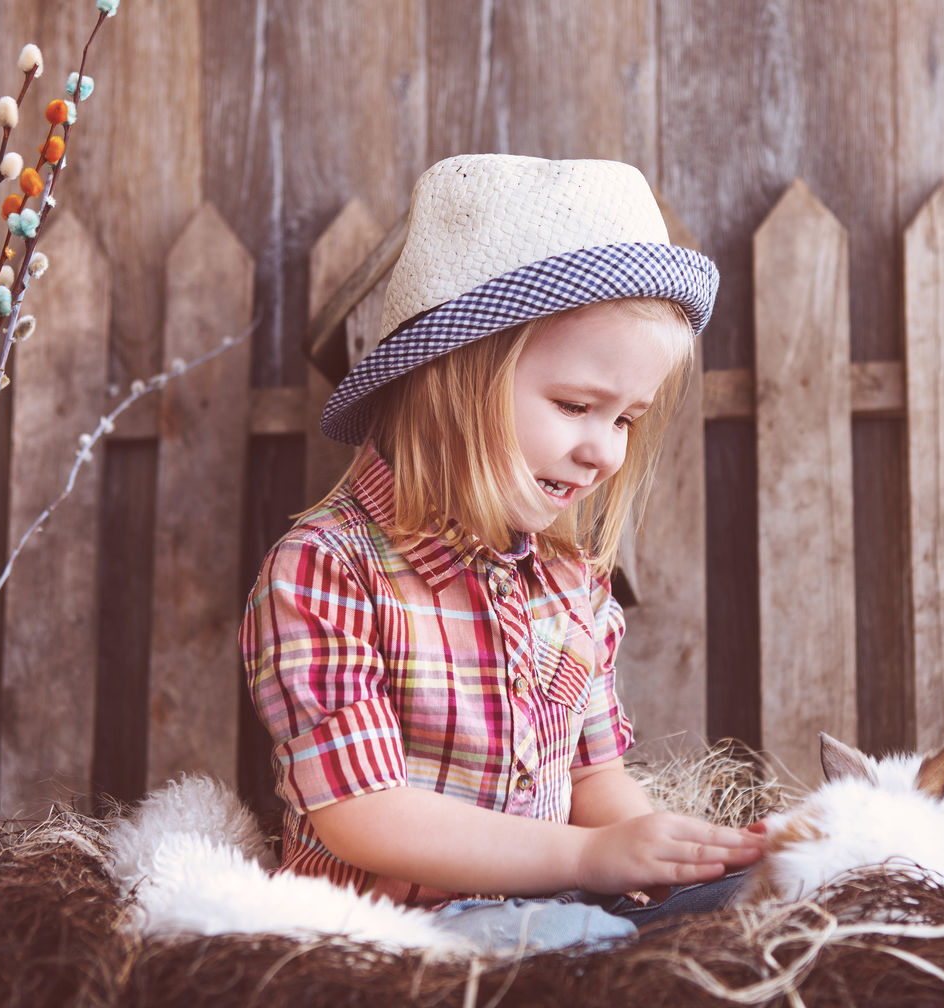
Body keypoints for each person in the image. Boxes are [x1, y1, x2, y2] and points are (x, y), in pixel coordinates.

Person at [241, 154, 765, 953]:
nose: (605, 453)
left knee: (755, 912)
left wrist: (675, 854)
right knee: (585, 947)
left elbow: (592, 780)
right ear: (450, 382)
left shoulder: (570, 585)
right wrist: (587, 857)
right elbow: (362, 813)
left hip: (555, 909)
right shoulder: (326, 570)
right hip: (386, 935)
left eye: (626, 419)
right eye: (575, 406)